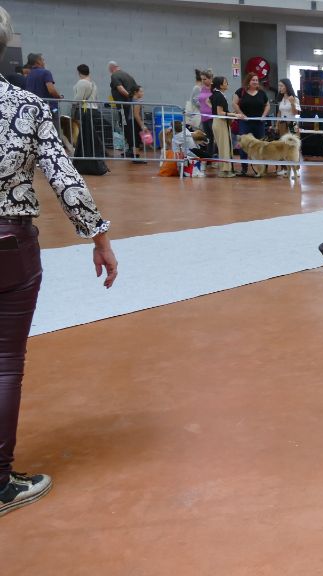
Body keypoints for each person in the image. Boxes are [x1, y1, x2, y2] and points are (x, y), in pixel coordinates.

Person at [0, 7, 118, 517]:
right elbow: (64, 179)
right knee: (5, 364)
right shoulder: (26, 107)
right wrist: (99, 238)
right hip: (9, 243)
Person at [233, 72, 270, 175]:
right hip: (245, 123)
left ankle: (262, 169)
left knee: (262, 145)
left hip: (259, 123)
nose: (255, 82)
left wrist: (264, 115)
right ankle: (244, 168)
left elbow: (267, 105)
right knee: (243, 145)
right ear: (248, 81)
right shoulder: (240, 91)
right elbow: (234, 103)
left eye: (257, 80)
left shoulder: (262, 93)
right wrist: (241, 114)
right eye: (253, 80)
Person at [108, 61, 143, 161]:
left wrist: (130, 97)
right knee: (132, 127)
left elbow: (120, 89)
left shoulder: (114, 75)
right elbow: (136, 89)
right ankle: (133, 148)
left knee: (125, 126)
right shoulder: (128, 75)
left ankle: (131, 149)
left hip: (123, 108)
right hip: (130, 107)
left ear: (111, 68)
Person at [209, 75, 239, 177]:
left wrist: (231, 114)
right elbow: (220, 113)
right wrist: (234, 115)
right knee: (224, 147)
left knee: (224, 146)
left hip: (219, 122)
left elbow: (208, 101)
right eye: (225, 82)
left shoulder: (216, 94)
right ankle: (225, 171)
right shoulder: (219, 96)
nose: (227, 84)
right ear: (221, 85)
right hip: (220, 122)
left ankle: (227, 169)